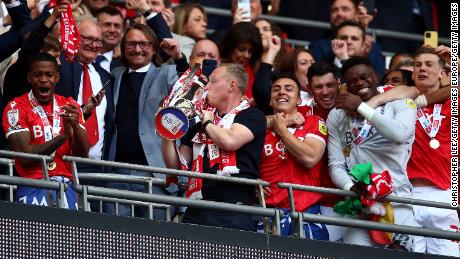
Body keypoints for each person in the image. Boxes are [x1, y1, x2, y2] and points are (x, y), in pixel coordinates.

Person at [162, 63, 266, 231]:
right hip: (197, 207)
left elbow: (230, 141)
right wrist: (167, 133)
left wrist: (208, 122)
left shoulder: (252, 115)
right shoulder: (199, 125)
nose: (207, 87)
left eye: (213, 81)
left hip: (233, 209)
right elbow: (176, 166)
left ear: (232, 85)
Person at [327, 56, 416, 250]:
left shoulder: (400, 102)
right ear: (345, 86)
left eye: (364, 76)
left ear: (375, 76)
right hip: (359, 206)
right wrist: (351, 187)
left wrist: (360, 107)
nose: (359, 82)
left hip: (397, 201)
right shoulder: (336, 115)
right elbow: (336, 165)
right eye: (352, 81)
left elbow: (399, 134)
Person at [103, 24, 183, 219]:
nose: (137, 49)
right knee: (114, 238)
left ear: (154, 48)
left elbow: (189, 87)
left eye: (144, 44)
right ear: (123, 48)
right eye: (131, 44)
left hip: (155, 173)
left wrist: (179, 58)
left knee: (155, 241)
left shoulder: (166, 73)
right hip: (117, 171)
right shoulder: (116, 75)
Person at [2, 53, 89, 209]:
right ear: (29, 78)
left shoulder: (70, 105)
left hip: (67, 188)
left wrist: (75, 126)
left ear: (57, 78)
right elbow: (26, 156)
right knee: (32, 234)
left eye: (49, 75)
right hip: (32, 185)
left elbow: (82, 154)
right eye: (37, 75)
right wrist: (63, 137)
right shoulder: (16, 108)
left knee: (68, 234)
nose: (43, 79)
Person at [258, 73, 329, 239]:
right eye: (276, 90)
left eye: (288, 89)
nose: (282, 92)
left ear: (299, 100)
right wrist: (253, 181)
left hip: (305, 214)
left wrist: (281, 129)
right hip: (267, 213)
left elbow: (309, 157)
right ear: (270, 100)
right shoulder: (258, 128)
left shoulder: (313, 122)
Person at [407, 46, 458, 256]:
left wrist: (455, 62)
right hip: (407, 195)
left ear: (442, 73)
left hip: (443, 195)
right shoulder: (401, 103)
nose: (423, 69)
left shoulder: (453, 105)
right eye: (418, 65)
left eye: (429, 65)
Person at [308, 0, 385, 80]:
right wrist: (339, 56)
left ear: (356, 13)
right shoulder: (318, 46)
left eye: (345, 9)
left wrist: (363, 55)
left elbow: (379, 80)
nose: (339, 13)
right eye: (335, 10)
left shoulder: (371, 46)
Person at [219, 22, 263, 99]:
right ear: (231, 47)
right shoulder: (217, 68)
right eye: (241, 49)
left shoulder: (255, 70)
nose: (246, 55)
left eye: (250, 51)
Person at [95, 6, 124, 73]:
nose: (112, 30)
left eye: (117, 26)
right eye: (107, 25)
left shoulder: (127, 62)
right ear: (96, 26)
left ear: (123, 29)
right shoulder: (82, 56)